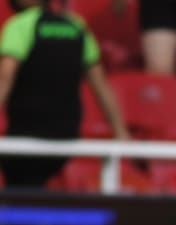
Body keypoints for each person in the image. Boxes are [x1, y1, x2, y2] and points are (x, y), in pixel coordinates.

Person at [0, 0, 128, 189]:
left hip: (26, 136)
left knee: (22, 198)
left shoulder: (20, 25)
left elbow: (5, 79)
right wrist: (120, 130)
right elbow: (101, 85)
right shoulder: (76, 26)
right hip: (66, 136)